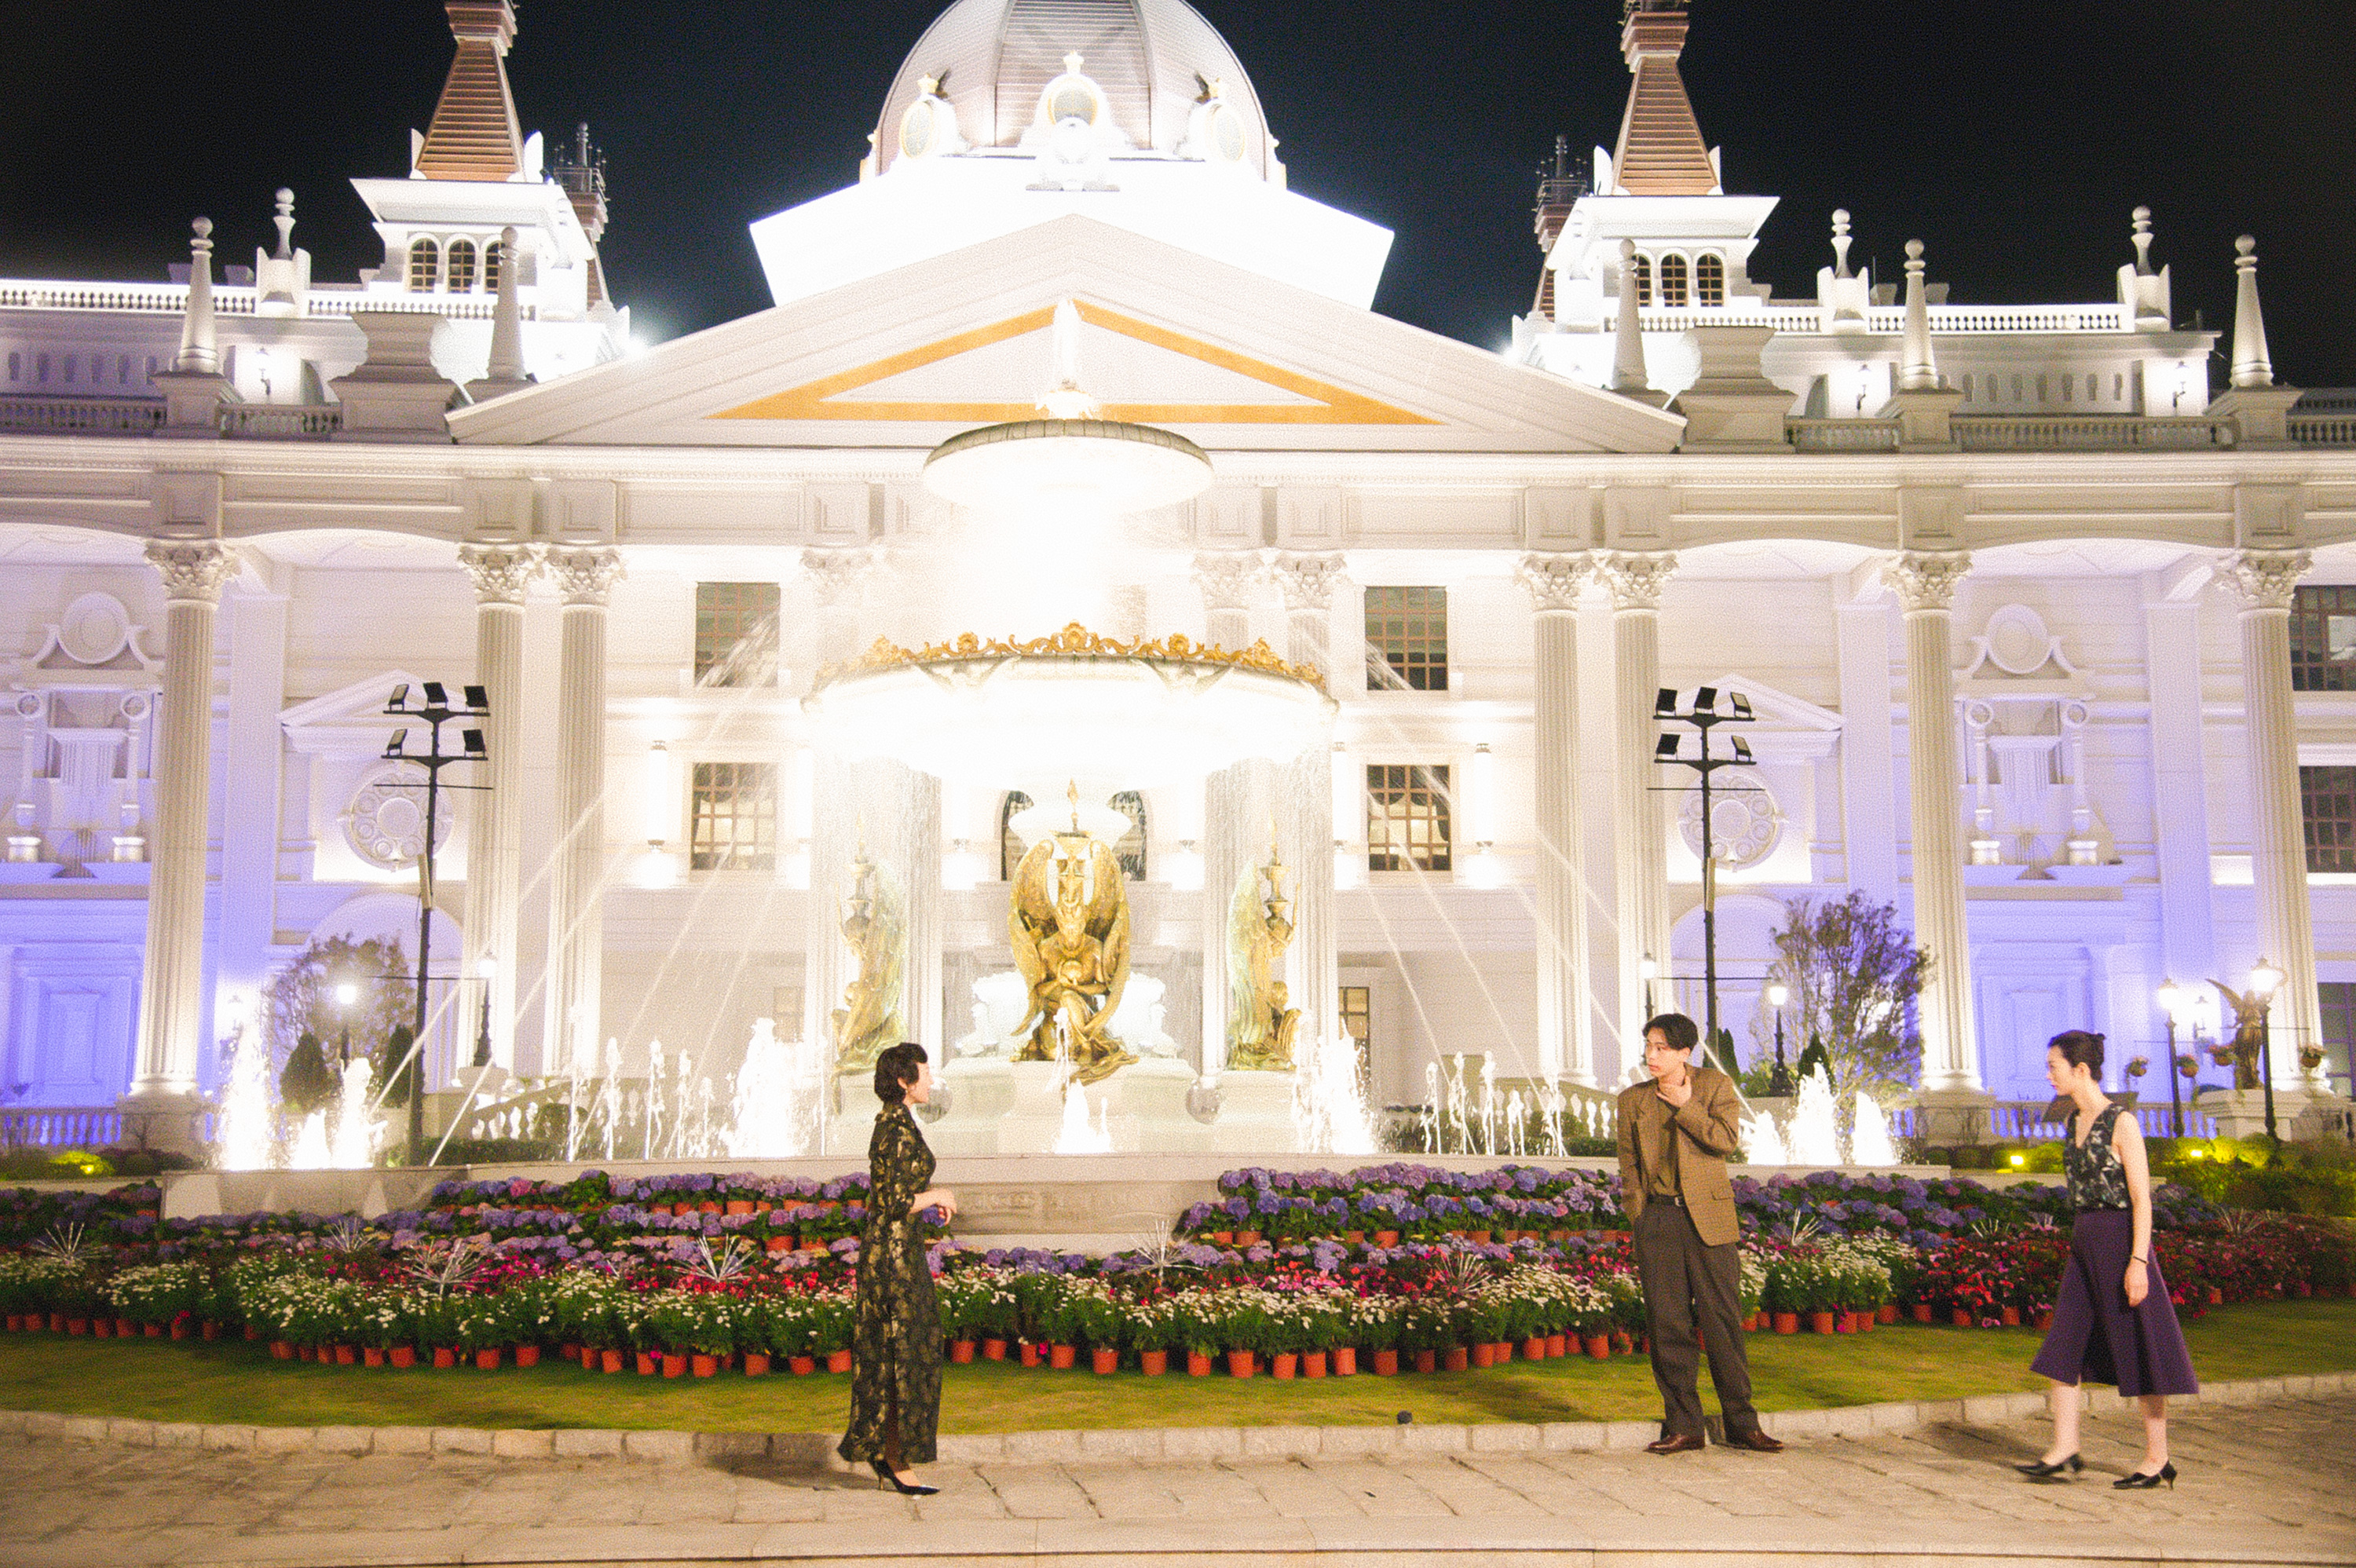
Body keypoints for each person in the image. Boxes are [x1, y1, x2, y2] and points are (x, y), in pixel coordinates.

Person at [2018, 1029, 2197, 1488]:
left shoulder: (2123, 1123)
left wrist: (2138, 1263)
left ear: (2080, 1070)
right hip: (2084, 1242)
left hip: (2121, 1243)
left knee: (2139, 1344)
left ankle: (2158, 1459)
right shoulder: (2071, 1121)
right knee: (2063, 1344)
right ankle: (2064, 1448)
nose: (2048, 1074)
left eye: (2053, 1066)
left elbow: (2143, 1199)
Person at [1615, 1013, 1783, 1455]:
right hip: (1658, 1221)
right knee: (1668, 1325)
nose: (1650, 1055)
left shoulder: (1714, 1087)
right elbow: (1628, 1167)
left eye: (1660, 1048)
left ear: (1684, 1053)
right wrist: (1640, 1215)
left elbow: (1725, 1141)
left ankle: (1743, 1424)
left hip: (1708, 1221)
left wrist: (1683, 1104)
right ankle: (1684, 1425)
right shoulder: (1632, 1100)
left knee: (1723, 1322)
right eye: (1648, 1046)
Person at [838, 1042, 958, 1496]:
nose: (930, 1081)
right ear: (905, 1082)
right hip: (890, 1260)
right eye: (924, 1074)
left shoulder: (899, 1123)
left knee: (908, 1351)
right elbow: (891, 1203)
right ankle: (893, 1458)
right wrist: (937, 1196)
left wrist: (929, 1202)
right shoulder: (893, 1129)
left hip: (898, 1251)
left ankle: (892, 1454)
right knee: (900, 1354)